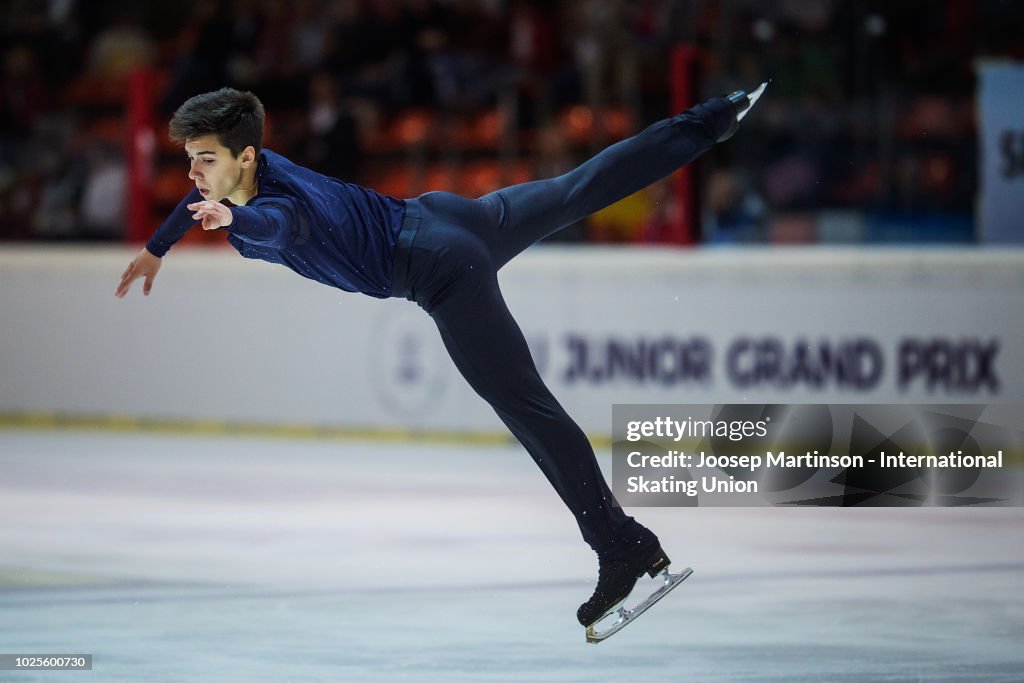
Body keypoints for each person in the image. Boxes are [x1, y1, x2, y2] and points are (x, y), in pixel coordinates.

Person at [115, 85, 757, 633]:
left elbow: (271, 228)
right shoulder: (251, 171)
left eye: (205, 161)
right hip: (452, 216)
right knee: (575, 189)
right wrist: (158, 246)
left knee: (526, 407)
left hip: (442, 268)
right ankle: (712, 118)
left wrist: (227, 216)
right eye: (192, 162)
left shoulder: (277, 210)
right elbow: (203, 198)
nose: (194, 175)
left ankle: (621, 545)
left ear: (244, 158)